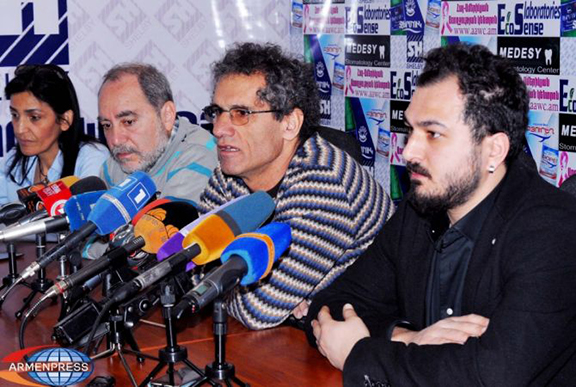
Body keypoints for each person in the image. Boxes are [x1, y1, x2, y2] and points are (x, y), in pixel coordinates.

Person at [306, 43, 576, 386]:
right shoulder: (419, 210)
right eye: (411, 130)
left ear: (493, 150)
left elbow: (492, 375)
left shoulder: (554, 230)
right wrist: (407, 338)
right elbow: (332, 304)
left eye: (433, 134)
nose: (409, 151)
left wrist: (361, 351)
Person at [198, 42, 393, 330]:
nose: (218, 129)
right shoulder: (228, 176)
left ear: (289, 124)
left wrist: (215, 288)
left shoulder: (324, 180)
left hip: (366, 342)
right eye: (218, 112)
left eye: (241, 114)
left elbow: (260, 309)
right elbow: (191, 263)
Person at [97, 63, 217, 204]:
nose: (116, 140)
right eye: (107, 125)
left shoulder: (199, 156)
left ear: (167, 116)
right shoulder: (114, 166)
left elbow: (169, 224)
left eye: (128, 122)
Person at [0, 64, 110, 204]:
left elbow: (88, 219)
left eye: (34, 117)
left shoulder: (92, 157)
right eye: (15, 115)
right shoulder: (13, 161)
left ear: (65, 120)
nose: (20, 129)